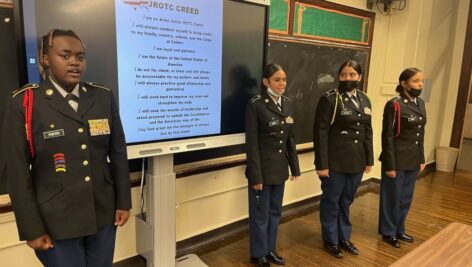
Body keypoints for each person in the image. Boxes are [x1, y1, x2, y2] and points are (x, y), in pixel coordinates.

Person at [3, 29, 131, 266]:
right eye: (65, 55)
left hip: (102, 213)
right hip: (55, 220)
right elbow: (17, 172)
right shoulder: (25, 102)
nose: (75, 62)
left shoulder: (102, 97)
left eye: (80, 57)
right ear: (45, 59)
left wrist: (124, 200)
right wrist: (31, 228)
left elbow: (118, 153)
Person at [313, 60, 373, 258]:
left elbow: (368, 131)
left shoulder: (364, 99)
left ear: (359, 77)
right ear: (339, 77)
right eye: (344, 75)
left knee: (346, 201)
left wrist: (369, 159)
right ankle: (330, 240)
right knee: (332, 201)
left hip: (356, 161)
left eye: (352, 75)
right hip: (335, 162)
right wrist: (322, 164)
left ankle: (344, 237)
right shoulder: (330, 99)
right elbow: (320, 133)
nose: (348, 78)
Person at [245, 63, 301, 267]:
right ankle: (258, 253)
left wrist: (294, 168)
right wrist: (256, 176)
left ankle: (270, 250)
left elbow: (290, 140)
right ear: (266, 81)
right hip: (262, 171)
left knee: (275, 213)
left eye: (284, 79)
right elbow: (251, 144)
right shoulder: (256, 104)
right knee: (260, 215)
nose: (282, 83)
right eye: (277, 79)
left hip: (279, 170)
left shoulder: (287, 103)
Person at [378, 67, 426, 248]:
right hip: (396, 159)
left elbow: (420, 134)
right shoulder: (395, 104)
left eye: (422, 81)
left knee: (405, 197)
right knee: (392, 197)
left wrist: (421, 158)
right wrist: (390, 165)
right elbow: (387, 136)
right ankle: (388, 232)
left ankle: (399, 229)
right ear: (403, 83)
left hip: (413, 159)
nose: (420, 84)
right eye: (416, 81)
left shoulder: (420, 103)